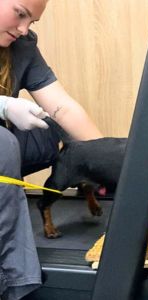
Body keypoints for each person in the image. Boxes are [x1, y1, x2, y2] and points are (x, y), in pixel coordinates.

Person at [0, 0, 102, 299]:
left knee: (56, 132)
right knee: (4, 143)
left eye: (31, 21)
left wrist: (111, 162)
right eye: (20, 14)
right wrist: (4, 105)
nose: (23, 29)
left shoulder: (22, 45)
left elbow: (63, 107)